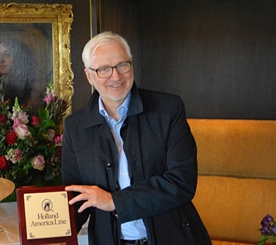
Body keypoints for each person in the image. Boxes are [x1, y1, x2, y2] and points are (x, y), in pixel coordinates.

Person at [61, 31, 212, 245]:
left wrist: (115, 201)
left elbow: (182, 181)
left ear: (131, 64)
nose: (116, 76)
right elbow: (75, 198)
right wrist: (44, 231)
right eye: (104, 69)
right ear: (89, 76)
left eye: (122, 65)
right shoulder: (76, 127)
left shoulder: (168, 110)